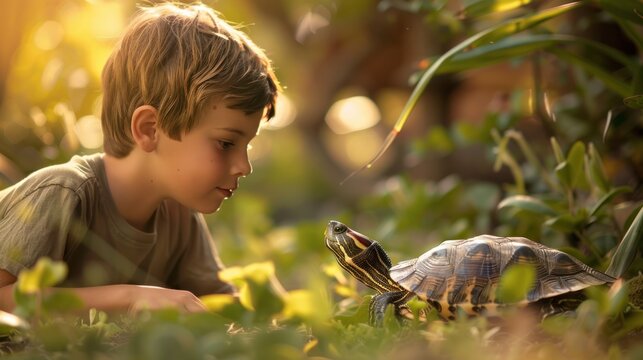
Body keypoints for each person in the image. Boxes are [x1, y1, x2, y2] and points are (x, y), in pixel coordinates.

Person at [0, 2, 279, 313]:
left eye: (247, 146)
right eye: (227, 143)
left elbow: (222, 304)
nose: (244, 166)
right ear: (149, 129)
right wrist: (130, 298)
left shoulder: (179, 215)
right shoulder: (62, 193)